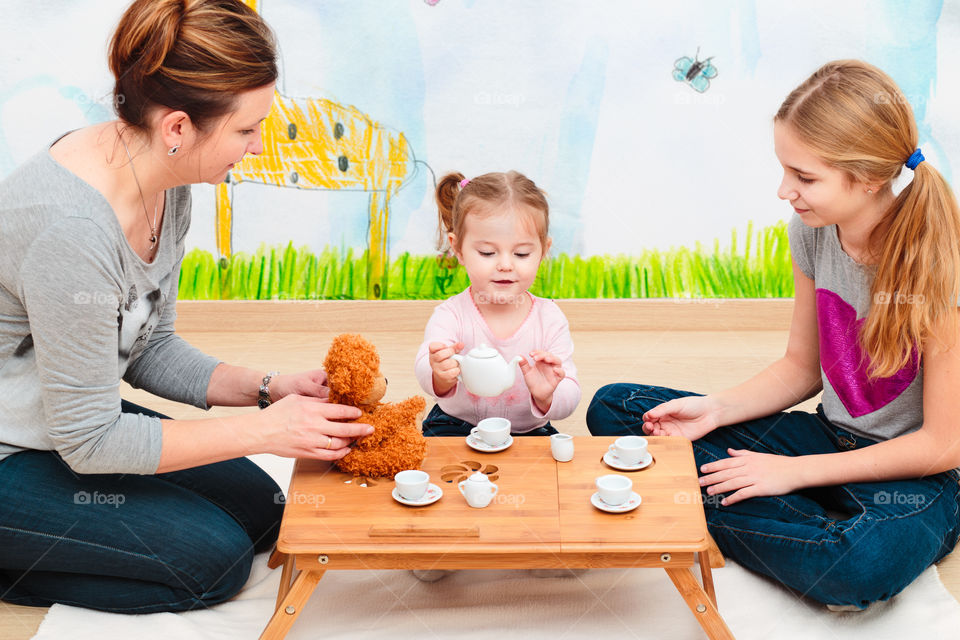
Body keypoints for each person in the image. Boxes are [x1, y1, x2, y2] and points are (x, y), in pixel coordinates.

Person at [0, 0, 372, 613]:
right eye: (247, 130)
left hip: (61, 416)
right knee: (212, 563)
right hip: (22, 445)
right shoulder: (71, 232)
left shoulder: (164, 186)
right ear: (178, 127)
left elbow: (146, 346)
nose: (254, 148)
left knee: (265, 515)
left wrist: (268, 389)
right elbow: (91, 442)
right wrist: (266, 432)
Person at [587, 60, 960, 611]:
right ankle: (792, 523)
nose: (785, 191)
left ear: (870, 176)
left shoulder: (939, 261)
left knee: (858, 565)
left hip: (913, 476)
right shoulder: (811, 233)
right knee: (617, 411)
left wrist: (791, 472)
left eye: (805, 177)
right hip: (827, 436)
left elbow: (942, 444)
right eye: (786, 170)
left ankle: (729, 510)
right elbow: (801, 367)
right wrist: (715, 410)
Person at [414, 171, 581, 438]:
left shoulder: (549, 318)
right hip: (455, 424)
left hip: (528, 430)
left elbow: (570, 392)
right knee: (436, 464)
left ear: (543, 251)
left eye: (522, 253)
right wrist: (439, 374)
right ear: (458, 249)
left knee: (546, 471)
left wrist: (548, 395)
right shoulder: (450, 314)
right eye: (488, 253)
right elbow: (425, 364)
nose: (505, 265)